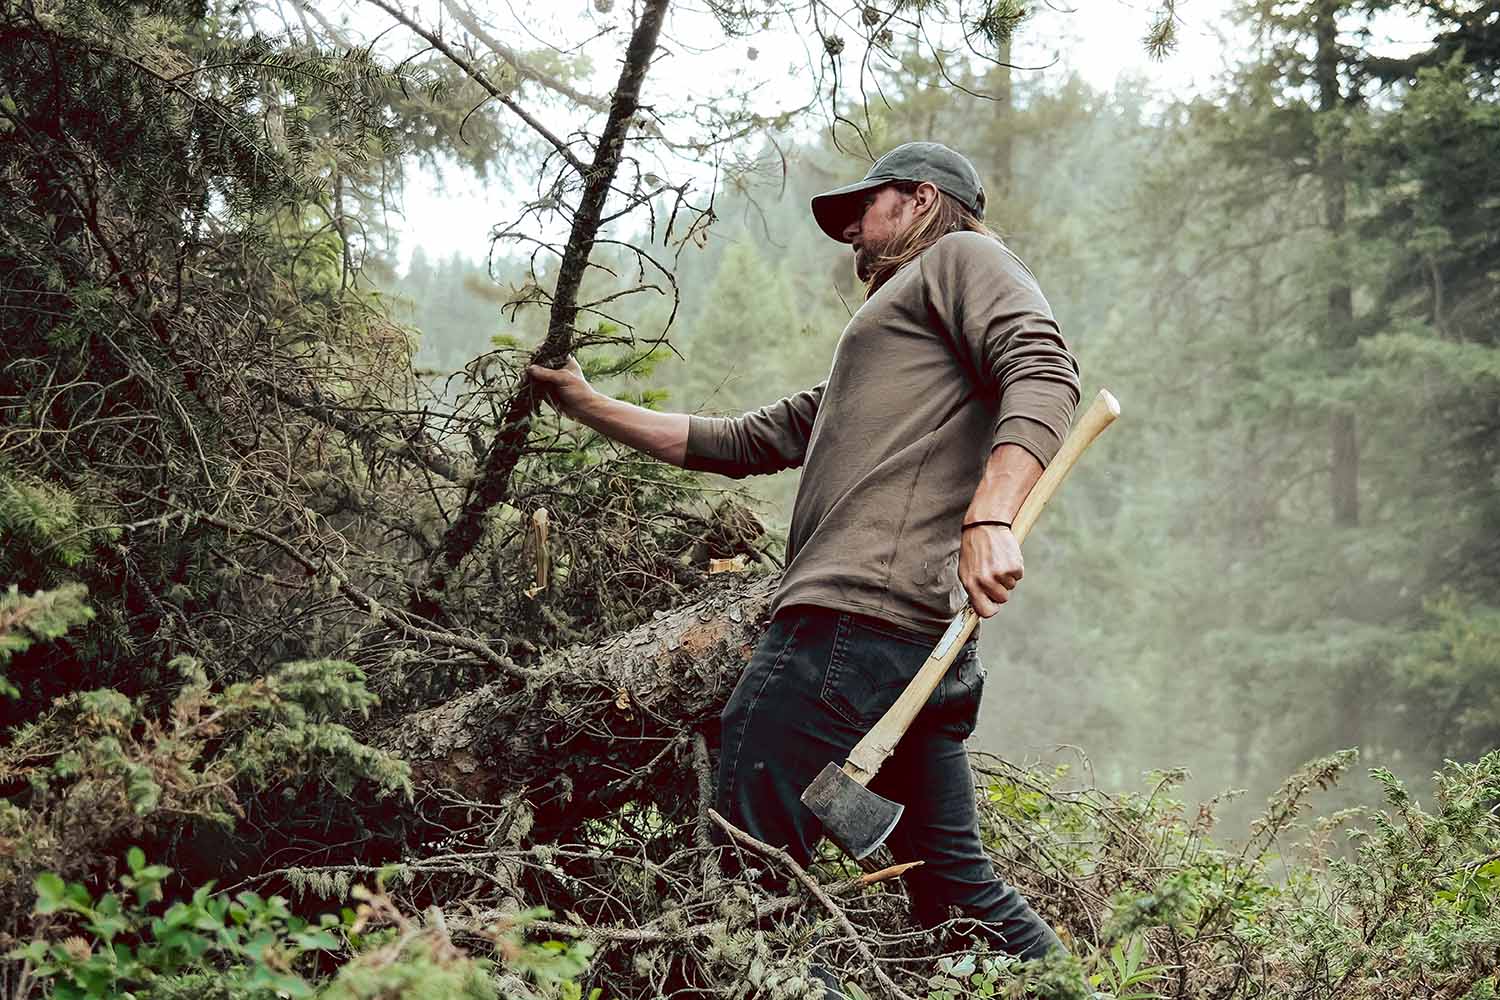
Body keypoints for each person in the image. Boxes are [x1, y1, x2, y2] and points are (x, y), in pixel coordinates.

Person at [529, 142, 1081, 979]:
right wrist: (588, 403)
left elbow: (1044, 371)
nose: (852, 231)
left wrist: (992, 514)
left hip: (854, 622)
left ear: (924, 200)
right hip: (909, 643)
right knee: (957, 889)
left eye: (868, 208)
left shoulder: (965, 257)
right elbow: (748, 439)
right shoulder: (895, 347)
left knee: (745, 887)